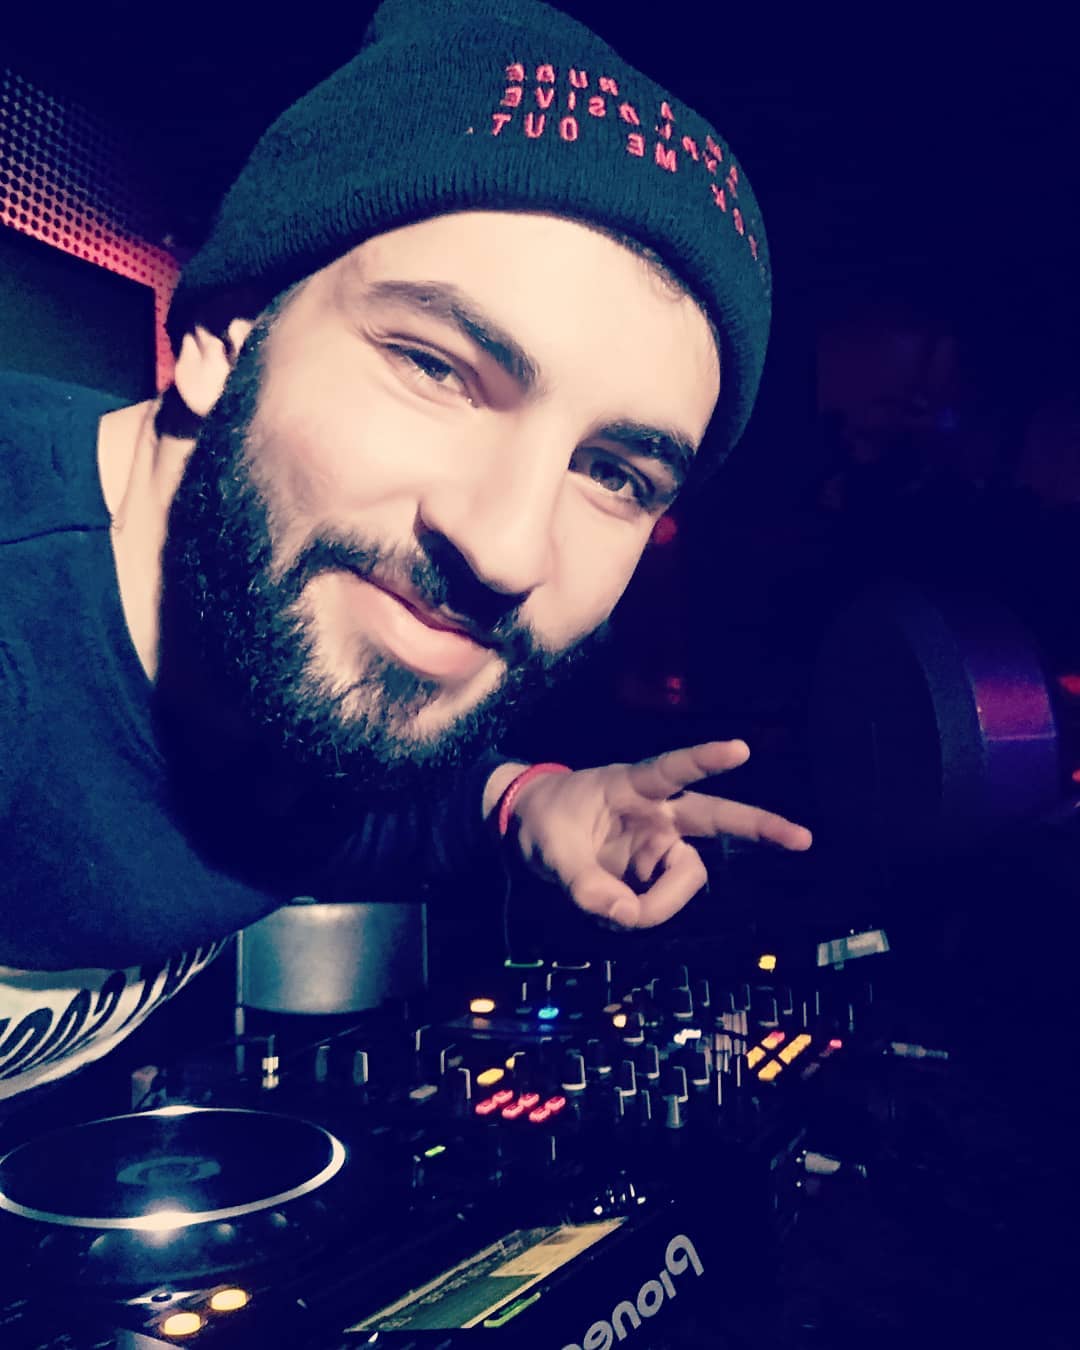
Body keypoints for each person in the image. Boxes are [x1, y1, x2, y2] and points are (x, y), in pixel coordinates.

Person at [0, 0, 811, 1102]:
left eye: (614, 473)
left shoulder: (278, 631)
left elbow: (344, 805)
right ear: (224, 339)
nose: (507, 548)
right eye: (436, 368)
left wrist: (523, 803)